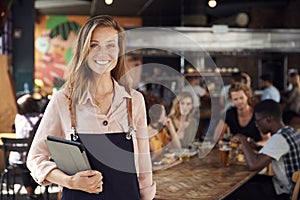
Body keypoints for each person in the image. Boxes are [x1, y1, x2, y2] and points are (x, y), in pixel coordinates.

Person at [27, 15, 156, 200]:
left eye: (111, 45)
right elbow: (36, 159)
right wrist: (69, 181)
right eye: (94, 45)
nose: (102, 53)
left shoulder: (134, 101)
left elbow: (143, 166)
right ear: (83, 51)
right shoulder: (63, 100)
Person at [227, 99, 300, 200]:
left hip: (285, 192)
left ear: (269, 119)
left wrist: (242, 139)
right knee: (247, 182)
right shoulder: (290, 130)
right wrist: (256, 146)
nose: (256, 124)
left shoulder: (279, 139)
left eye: (257, 120)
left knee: (233, 192)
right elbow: (276, 151)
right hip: (288, 185)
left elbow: (254, 165)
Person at [9, 94, 43, 200]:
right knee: (39, 167)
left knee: (25, 168)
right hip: (34, 155)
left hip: (18, 156)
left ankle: (30, 193)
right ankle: (32, 193)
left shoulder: (19, 118)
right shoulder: (41, 118)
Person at [141, 91, 181, 160]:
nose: (165, 114)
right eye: (163, 110)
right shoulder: (146, 132)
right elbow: (149, 159)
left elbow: (177, 148)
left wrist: (171, 127)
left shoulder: (161, 130)